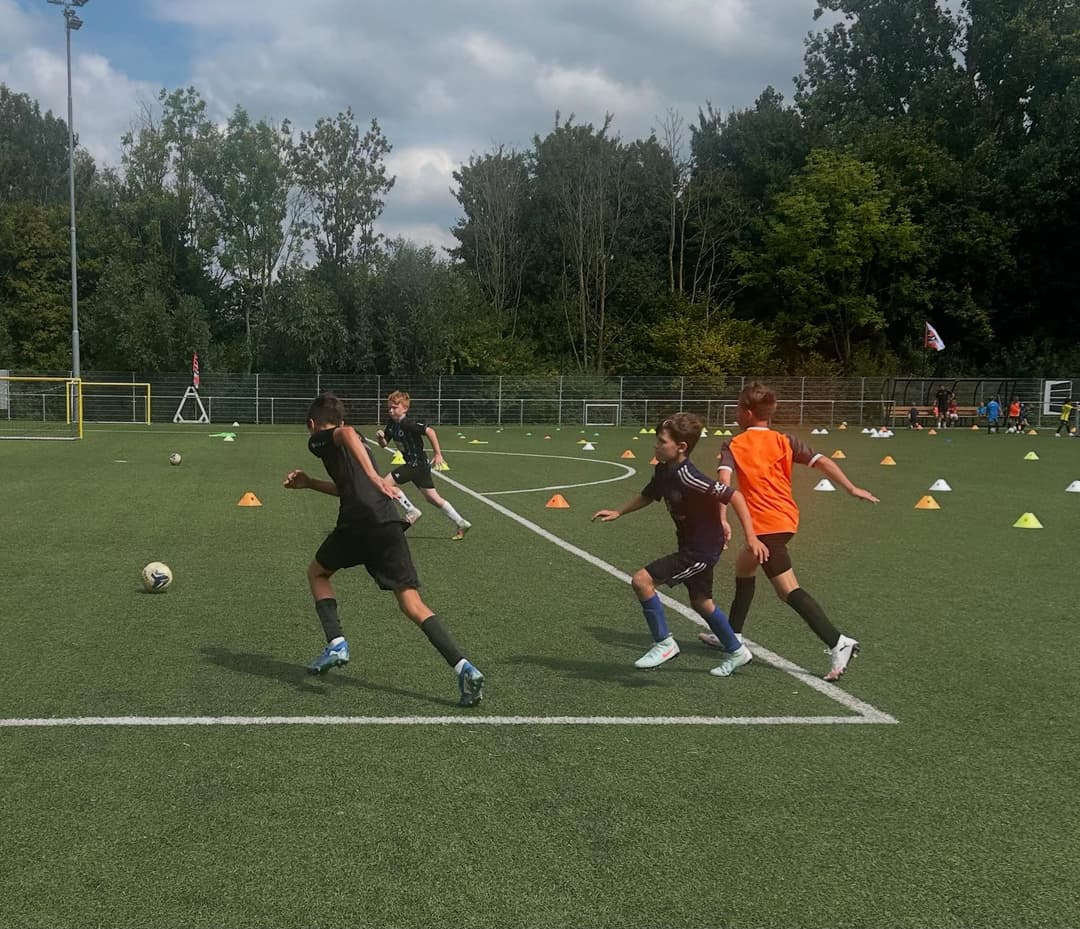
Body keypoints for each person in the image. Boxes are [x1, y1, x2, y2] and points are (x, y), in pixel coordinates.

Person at [283, 392, 484, 707]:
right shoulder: (358, 440)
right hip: (388, 522)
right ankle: (464, 667)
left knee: (317, 572)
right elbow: (347, 484)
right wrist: (310, 483)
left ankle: (336, 642)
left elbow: (346, 438)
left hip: (358, 522)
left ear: (313, 425)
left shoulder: (322, 438)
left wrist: (377, 477)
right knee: (411, 603)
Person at [699, 382, 879, 682]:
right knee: (744, 569)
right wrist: (850, 487)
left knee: (787, 591)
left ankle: (838, 641)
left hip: (766, 527)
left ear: (745, 412)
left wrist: (722, 519)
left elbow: (723, 483)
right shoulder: (784, 440)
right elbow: (821, 461)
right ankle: (731, 636)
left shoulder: (734, 444)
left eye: (737, 408)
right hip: (784, 520)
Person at [591, 412, 769, 677]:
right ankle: (737, 651)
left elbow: (735, 497)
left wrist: (751, 537)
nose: (656, 446)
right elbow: (649, 494)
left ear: (681, 447)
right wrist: (619, 511)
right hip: (692, 544)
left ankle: (664, 643)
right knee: (701, 602)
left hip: (701, 550)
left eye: (662, 442)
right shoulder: (664, 469)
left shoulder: (690, 476)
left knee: (642, 581)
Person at [376, 390, 472, 540]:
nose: (391, 410)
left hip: (416, 464)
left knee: (385, 484)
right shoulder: (391, 424)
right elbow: (383, 445)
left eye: (394, 407)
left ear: (405, 408)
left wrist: (438, 453)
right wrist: (381, 438)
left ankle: (411, 511)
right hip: (419, 466)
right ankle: (461, 522)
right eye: (389, 407)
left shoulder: (407, 423)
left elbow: (430, 431)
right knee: (433, 498)